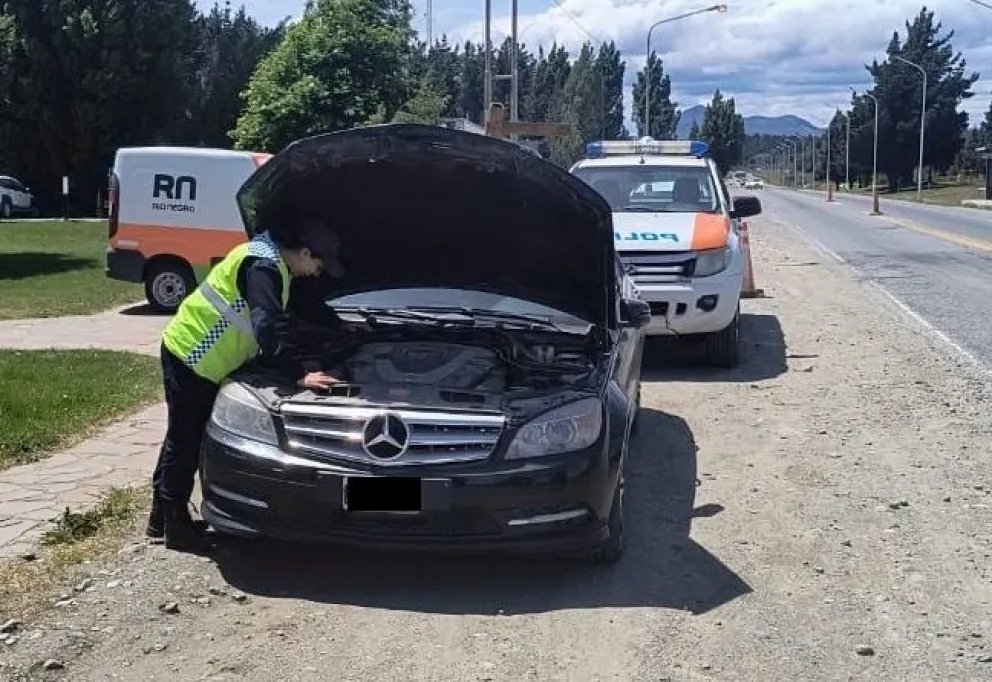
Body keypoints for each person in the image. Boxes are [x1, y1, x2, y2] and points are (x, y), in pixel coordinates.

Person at [146, 213, 345, 552]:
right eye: (320, 266)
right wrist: (299, 373)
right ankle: (176, 529)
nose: (318, 273)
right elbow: (267, 328)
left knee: (179, 436)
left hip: (199, 357)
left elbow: (302, 306)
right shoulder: (262, 267)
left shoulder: (272, 260)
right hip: (193, 356)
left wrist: (343, 328)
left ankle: (160, 518)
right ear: (306, 252)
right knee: (185, 440)